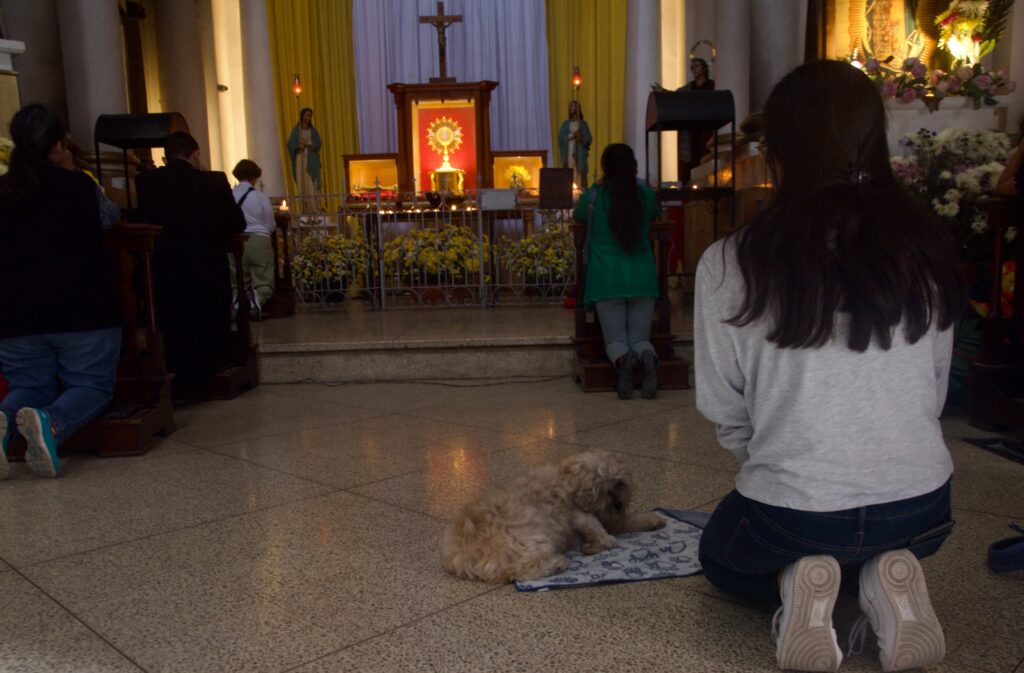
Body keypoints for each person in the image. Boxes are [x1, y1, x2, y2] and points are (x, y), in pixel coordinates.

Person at [694, 60, 965, 672]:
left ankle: (805, 584)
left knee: (721, 556)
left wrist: (796, 465)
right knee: (861, 536)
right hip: (922, 513)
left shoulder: (729, 262)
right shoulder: (926, 250)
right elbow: (934, 390)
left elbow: (723, 407)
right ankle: (881, 583)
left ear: (778, 152)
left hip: (791, 515)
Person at [0, 104, 122, 479]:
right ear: (57, 146)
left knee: (28, 384)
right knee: (92, 385)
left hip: (15, 317)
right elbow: (111, 218)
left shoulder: (3, 192)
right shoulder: (79, 185)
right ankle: (51, 422)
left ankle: (4, 419)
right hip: (81, 311)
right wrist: (75, 174)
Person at [135, 132, 246, 402]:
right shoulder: (213, 181)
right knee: (207, 324)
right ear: (195, 154)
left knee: (174, 326)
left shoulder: (147, 182)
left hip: (165, 272)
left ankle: (178, 378)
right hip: (206, 270)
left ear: (167, 156)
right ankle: (207, 374)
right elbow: (237, 224)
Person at [573, 143, 660, 400]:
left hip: (607, 279)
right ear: (633, 167)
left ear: (604, 169)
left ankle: (623, 363)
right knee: (639, 336)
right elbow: (654, 214)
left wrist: (598, 186)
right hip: (642, 279)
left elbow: (579, 215)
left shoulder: (594, 198)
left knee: (615, 341)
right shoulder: (646, 196)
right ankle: (647, 358)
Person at [230, 159, 276, 321]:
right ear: (254, 177)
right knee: (264, 279)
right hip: (259, 240)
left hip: (236, 242)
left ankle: (237, 303)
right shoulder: (260, 196)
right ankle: (255, 300)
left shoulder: (230, 195)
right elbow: (270, 223)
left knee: (238, 279)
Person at [287, 107, 323, 212]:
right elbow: (290, 145)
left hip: (310, 159)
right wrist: (298, 145)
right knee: (302, 183)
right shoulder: (296, 131)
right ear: (302, 116)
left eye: (310, 116)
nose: (308, 117)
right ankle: (305, 209)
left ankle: (314, 207)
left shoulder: (313, 131)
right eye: (307, 115)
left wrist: (308, 143)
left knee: (311, 184)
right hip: (300, 158)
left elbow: (318, 144)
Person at [558, 100, 592, 190]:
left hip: (579, 151)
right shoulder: (565, 124)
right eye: (569, 106)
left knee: (579, 172)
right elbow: (561, 138)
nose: (570, 108)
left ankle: (580, 191)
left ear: (577, 108)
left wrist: (581, 138)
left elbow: (588, 138)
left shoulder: (583, 124)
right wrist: (573, 135)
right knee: (570, 171)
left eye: (572, 106)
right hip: (569, 150)